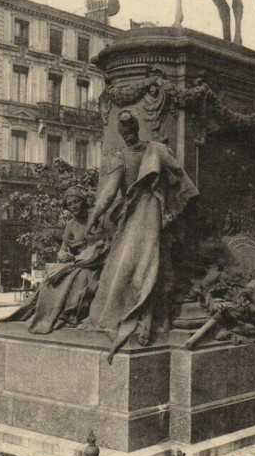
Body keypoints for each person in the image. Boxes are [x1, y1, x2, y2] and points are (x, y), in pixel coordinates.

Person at [82, 110, 198, 359]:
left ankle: (148, 320)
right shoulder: (141, 153)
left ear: (129, 131)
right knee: (145, 266)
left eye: (127, 131)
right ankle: (148, 320)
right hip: (145, 217)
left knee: (143, 267)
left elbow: (110, 194)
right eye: (126, 132)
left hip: (147, 218)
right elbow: (109, 194)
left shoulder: (137, 154)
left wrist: (94, 217)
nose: (127, 135)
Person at [0, 187, 109, 334]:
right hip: (76, 262)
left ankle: (69, 315)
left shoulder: (99, 217)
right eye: (70, 204)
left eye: (76, 202)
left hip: (97, 262)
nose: (74, 206)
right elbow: (63, 249)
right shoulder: (70, 224)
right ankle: (41, 314)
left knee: (81, 276)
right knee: (50, 279)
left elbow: (116, 239)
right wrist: (61, 254)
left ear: (83, 201)